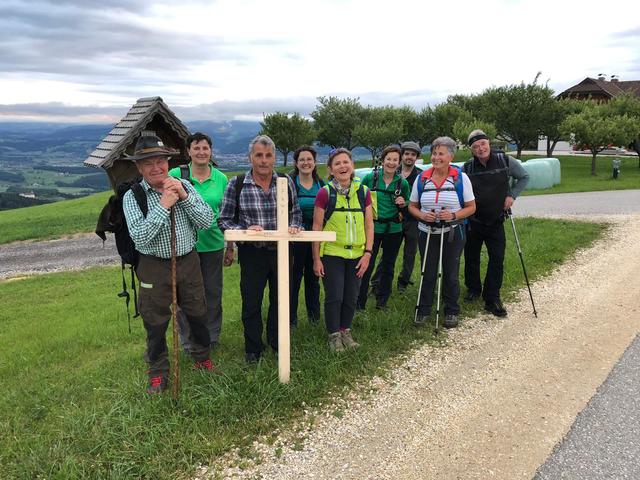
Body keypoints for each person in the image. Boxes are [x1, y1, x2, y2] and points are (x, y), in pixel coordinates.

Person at [123, 134, 215, 394]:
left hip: (188, 260)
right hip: (153, 265)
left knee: (197, 313)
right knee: (155, 321)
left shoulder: (184, 185)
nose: (156, 168)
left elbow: (207, 221)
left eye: (161, 161)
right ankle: (158, 373)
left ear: (168, 162)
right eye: (149, 163)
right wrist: (164, 205)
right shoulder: (134, 196)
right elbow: (140, 236)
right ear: (139, 167)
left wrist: (184, 196)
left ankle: (202, 359)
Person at [218, 135, 303, 363]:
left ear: (274, 157)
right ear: (250, 158)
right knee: (252, 302)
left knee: (281, 300)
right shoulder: (236, 184)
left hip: (282, 252)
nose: (264, 161)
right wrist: (245, 230)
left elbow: (296, 213)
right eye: (259, 155)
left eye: (268, 156)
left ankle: (277, 343)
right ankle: (253, 349)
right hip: (252, 253)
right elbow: (224, 219)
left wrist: (294, 226)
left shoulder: (285, 182)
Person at [169, 132, 232, 351]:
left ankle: (211, 338)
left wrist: (230, 246)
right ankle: (188, 341)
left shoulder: (221, 178)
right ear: (188, 152)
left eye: (205, 148)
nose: (201, 152)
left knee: (212, 293)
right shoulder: (176, 175)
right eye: (196, 148)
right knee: (185, 295)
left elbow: (227, 214)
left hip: (213, 244)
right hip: (185, 246)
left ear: (211, 151)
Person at [409, 136, 475, 328]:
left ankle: (452, 310)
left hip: (453, 231)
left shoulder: (460, 177)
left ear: (450, 156)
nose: (436, 157)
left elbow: (471, 207)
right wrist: (422, 215)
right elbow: (412, 206)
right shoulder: (422, 178)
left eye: (441, 154)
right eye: (434, 153)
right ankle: (423, 309)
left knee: (450, 272)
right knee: (427, 271)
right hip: (426, 231)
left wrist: (454, 215)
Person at [462, 129, 529, 317]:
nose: (480, 148)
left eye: (483, 144)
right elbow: (460, 189)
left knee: (497, 260)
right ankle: (473, 289)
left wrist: (511, 195)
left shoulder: (505, 161)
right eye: (475, 146)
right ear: (471, 150)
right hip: (473, 222)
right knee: (471, 257)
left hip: (496, 220)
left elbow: (524, 177)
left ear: (488, 143)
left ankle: (492, 297)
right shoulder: (467, 168)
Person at [312, 148, 374, 351]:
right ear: (330, 169)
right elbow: (317, 227)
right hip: (332, 254)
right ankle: (333, 335)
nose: (342, 166)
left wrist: (368, 254)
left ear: (352, 165)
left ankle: (345, 330)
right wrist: (316, 259)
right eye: (337, 163)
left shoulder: (363, 192)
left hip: (357, 254)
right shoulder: (325, 193)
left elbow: (369, 225)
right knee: (335, 296)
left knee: (351, 296)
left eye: (346, 162)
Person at [356, 145, 410, 310]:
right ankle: (359, 303)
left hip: (393, 229)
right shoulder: (369, 179)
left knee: (388, 266)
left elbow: (408, 204)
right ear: (383, 160)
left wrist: (403, 203)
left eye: (395, 160)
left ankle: (382, 302)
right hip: (372, 229)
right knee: (367, 264)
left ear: (399, 162)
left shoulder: (403, 183)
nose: (391, 163)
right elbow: (359, 200)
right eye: (389, 159)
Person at [289, 146, 324, 326]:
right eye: (301, 159)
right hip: (295, 238)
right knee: (293, 279)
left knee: (313, 278)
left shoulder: (321, 184)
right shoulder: (290, 183)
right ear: (296, 163)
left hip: (315, 238)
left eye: (309, 159)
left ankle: (314, 318)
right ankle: (291, 320)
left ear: (314, 162)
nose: (305, 163)